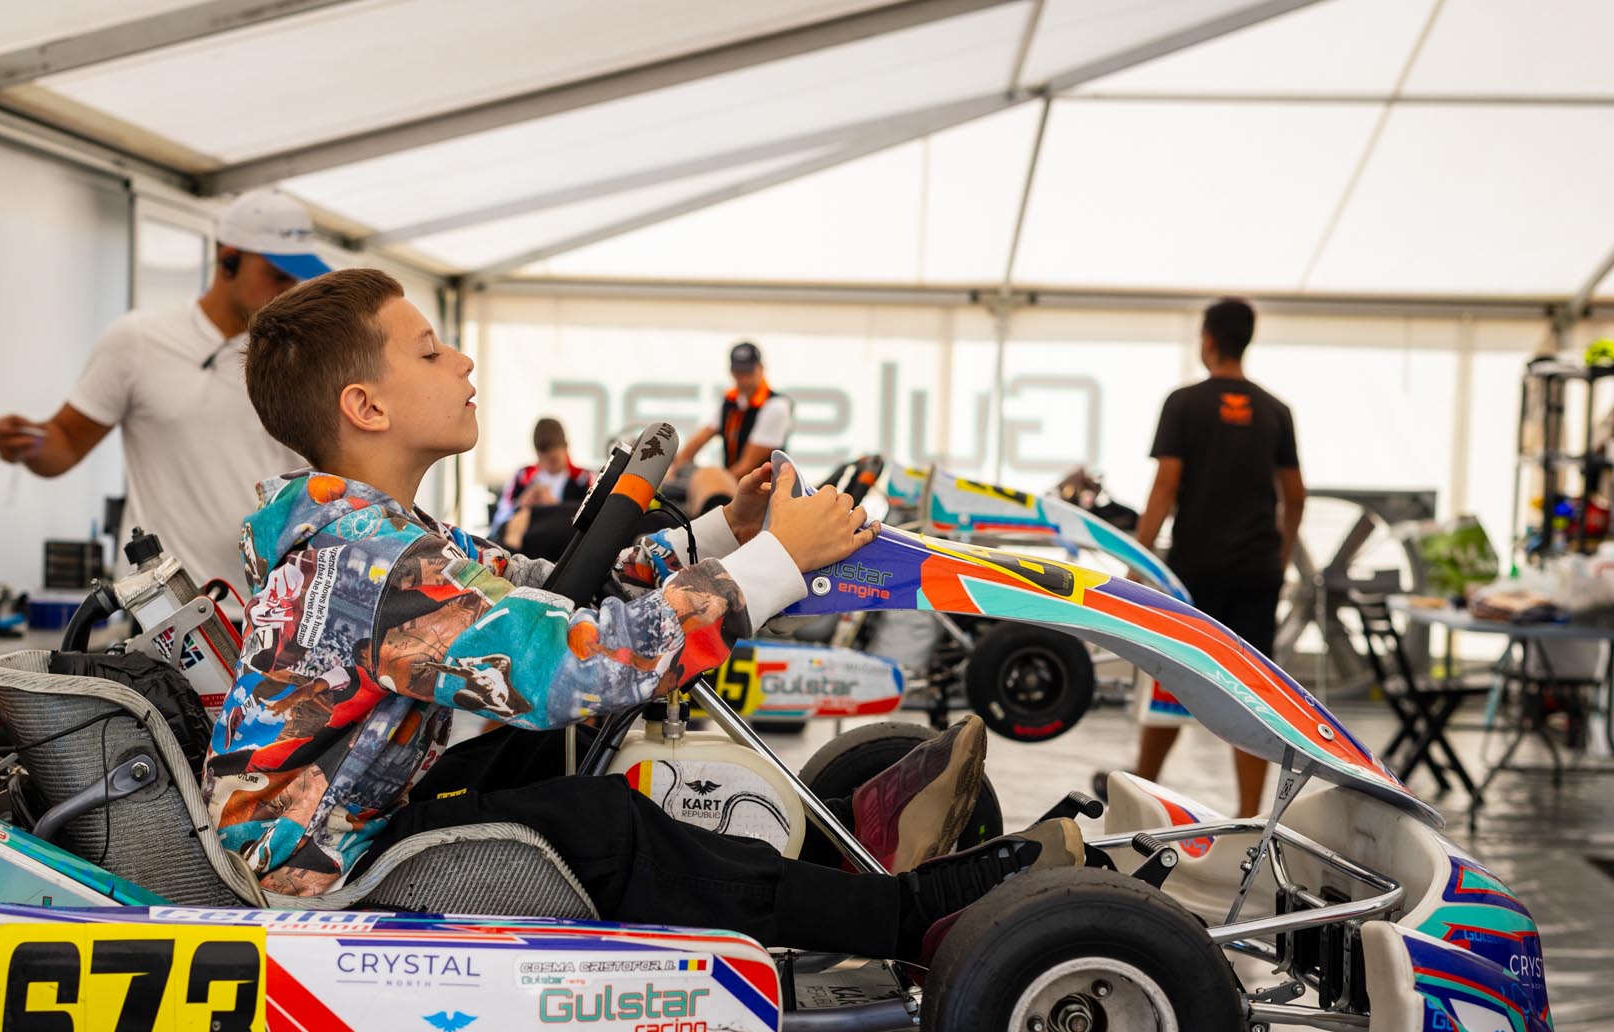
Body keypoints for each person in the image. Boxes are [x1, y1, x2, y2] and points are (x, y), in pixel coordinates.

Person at [204, 268, 1081, 966]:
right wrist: (777, 564)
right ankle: (912, 915)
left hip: (353, 819)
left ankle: (834, 843)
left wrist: (727, 533)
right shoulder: (367, 559)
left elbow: (552, 587)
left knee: (570, 744)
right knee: (603, 825)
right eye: (431, 353)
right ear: (366, 407)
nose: (463, 362)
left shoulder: (380, 533)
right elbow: (572, 663)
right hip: (318, 875)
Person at [0, 189, 333, 587]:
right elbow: (64, 443)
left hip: (272, 603)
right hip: (161, 605)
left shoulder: (301, 359)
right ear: (228, 260)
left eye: (297, 276)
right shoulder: (138, 340)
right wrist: (30, 443)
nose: (290, 288)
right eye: (278, 274)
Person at [1132, 297, 1307, 816]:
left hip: (1195, 569)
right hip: (1256, 570)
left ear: (1208, 339)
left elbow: (1166, 486)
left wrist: (1138, 559)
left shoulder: (1184, 403)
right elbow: (1295, 496)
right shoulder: (1275, 411)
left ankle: (1142, 790)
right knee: (1252, 692)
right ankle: (1250, 815)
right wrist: (1280, 558)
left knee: (1172, 677)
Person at [674, 341, 795, 485]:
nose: (743, 377)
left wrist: (710, 484)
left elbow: (746, 466)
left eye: (748, 371)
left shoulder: (776, 406)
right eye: (738, 371)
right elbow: (699, 440)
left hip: (765, 491)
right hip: (735, 486)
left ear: (761, 368)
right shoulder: (731, 402)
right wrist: (676, 469)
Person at [488, 416, 592, 558]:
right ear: (537, 452)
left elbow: (590, 516)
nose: (550, 459)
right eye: (544, 454)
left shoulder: (582, 478)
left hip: (562, 542)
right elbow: (501, 516)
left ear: (566, 447)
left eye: (555, 456)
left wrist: (553, 507)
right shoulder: (523, 476)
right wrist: (522, 503)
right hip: (528, 541)